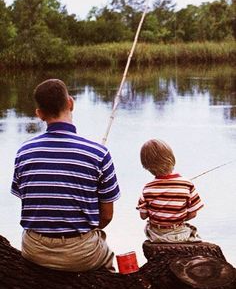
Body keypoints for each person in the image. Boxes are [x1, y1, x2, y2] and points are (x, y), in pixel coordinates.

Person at [11, 79, 121, 272]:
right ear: (71, 103)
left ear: (39, 114)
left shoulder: (23, 153)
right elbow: (107, 215)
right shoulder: (98, 153)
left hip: (34, 250)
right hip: (80, 253)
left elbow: (29, 200)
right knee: (108, 259)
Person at [137, 139, 204, 243]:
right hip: (179, 234)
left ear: (146, 166)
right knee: (194, 232)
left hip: (155, 235)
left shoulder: (147, 188)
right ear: (172, 159)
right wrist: (177, 219)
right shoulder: (187, 184)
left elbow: (143, 216)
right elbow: (193, 214)